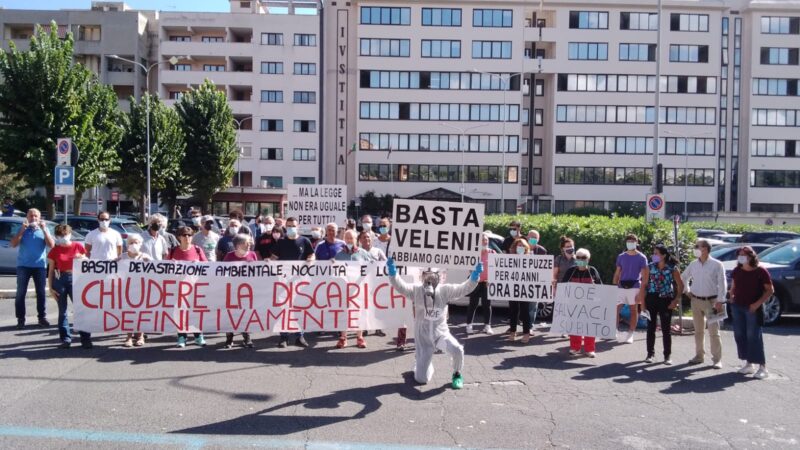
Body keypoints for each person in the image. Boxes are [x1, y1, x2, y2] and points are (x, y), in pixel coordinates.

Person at [386, 257, 482, 389]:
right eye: (426, 276)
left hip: (440, 334)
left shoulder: (445, 290)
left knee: (458, 350)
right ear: (422, 276)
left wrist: (474, 277)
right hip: (423, 337)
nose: (430, 280)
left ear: (439, 276)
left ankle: (457, 374)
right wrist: (393, 273)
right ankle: (421, 364)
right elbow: (400, 286)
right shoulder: (416, 290)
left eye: (433, 276)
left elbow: (463, 289)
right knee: (421, 379)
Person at [729, 246, 773, 379]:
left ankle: (763, 367)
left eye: (744, 254)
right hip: (737, 306)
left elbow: (770, 290)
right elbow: (734, 286)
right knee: (740, 334)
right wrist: (731, 295)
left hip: (753, 308)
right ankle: (749, 364)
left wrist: (757, 304)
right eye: (739, 254)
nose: (741, 257)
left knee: (753, 335)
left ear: (751, 256)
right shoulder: (737, 270)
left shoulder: (760, 271)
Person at [270, 217, 315, 348]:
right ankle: (284, 337)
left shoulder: (304, 241)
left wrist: (311, 260)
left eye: (293, 225)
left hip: (300, 281)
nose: (291, 228)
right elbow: (274, 257)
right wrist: (268, 262)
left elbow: (311, 255)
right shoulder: (281, 242)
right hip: (284, 281)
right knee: (283, 309)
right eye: (288, 226)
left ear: (298, 226)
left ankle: (299, 336)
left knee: (299, 309)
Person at [681, 239, 727, 368]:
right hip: (696, 301)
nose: (695, 248)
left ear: (705, 249)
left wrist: (720, 300)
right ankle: (699, 356)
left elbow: (722, 283)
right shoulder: (693, 264)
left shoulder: (717, 264)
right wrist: (687, 290)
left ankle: (717, 359)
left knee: (714, 332)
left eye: (698, 246)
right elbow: (684, 276)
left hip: (712, 302)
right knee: (698, 331)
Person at [83, 211, 124, 348]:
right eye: (102, 219)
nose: (104, 221)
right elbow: (87, 251)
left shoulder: (115, 234)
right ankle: (94, 322)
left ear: (110, 220)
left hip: (111, 270)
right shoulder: (91, 234)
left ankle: (112, 321)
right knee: (95, 297)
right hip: (96, 271)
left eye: (106, 219)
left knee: (112, 297)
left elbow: (119, 251)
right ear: (98, 219)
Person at [639, 244, 683, 365]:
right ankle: (650, 354)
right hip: (652, 298)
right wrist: (642, 304)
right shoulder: (650, 267)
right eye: (653, 253)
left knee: (665, 328)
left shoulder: (672, 268)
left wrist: (675, 300)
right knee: (651, 327)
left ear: (663, 255)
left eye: (656, 253)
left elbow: (680, 285)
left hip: (666, 299)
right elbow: (643, 285)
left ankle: (667, 355)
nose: (653, 256)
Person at [11, 208, 54, 329]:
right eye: (31, 216)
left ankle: (42, 317)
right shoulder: (22, 229)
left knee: (41, 293)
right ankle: (20, 319)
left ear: (39, 218)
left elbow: (51, 245)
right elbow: (13, 244)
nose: (33, 218)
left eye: (36, 216)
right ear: (27, 217)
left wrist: (45, 229)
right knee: (20, 293)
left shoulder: (44, 229)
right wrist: (21, 231)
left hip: (39, 266)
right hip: (23, 266)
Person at [46, 224, 87, 349]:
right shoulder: (55, 250)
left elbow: (87, 261)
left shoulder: (78, 246)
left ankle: (85, 339)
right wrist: (51, 288)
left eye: (65, 234)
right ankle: (65, 339)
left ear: (70, 234)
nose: (63, 237)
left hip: (76, 278)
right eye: (59, 235)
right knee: (62, 312)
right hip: (60, 279)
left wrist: (82, 257)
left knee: (80, 309)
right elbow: (51, 270)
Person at [169, 226, 208, 348]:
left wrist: (199, 264)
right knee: (180, 312)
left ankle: (198, 335)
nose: (187, 238)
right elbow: (164, 268)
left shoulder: (197, 250)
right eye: (184, 235)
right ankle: (182, 336)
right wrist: (172, 264)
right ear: (179, 237)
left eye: (189, 235)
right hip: (178, 286)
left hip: (194, 287)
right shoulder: (173, 250)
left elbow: (207, 266)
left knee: (195, 311)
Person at [561, 248, 603, 358]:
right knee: (575, 326)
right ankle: (575, 347)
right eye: (578, 257)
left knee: (590, 327)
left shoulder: (592, 271)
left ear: (588, 259)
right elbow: (563, 286)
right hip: (573, 305)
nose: (581, 259)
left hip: (590, 305)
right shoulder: (571, 271)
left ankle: (590, 349)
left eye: (583, 258)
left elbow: (600, 287)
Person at [333, 230, 369, 349]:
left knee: (359, 313)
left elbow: (371, 268)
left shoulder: (363, 253)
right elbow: (335, 272)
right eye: (347, 238)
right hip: (344, 289)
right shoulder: (339, 255)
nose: (349, 240)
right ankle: (343, 338)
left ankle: (360, 337)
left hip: (359, 289)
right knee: (344, 313)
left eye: (351, 238)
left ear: (356, 240)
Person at [612, 234, 648, 344]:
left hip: (635, 286)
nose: (631, 242)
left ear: (637, 243)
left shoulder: (642, 257)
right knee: (615, 310)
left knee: (633, 310)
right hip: (621, 286)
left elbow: (645, 277)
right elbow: (618, 272)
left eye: (633, 241)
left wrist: (641, 293)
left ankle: (630, 334)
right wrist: (614, 284)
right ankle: (614, 330)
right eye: (629, 241)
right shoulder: (621, 256)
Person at [222, 234, 257, 348]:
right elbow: (222, 272)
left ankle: (246, 337)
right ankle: (229, 338)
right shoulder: (229, 256)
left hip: (247, 291)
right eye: (246, 243)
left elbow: (258, 272)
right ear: (238, 245)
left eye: (249, 243)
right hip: (232, 290)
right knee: (231, 314)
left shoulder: (252, 255)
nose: (249, 245)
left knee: (246, 314)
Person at [119, 234, 151, 347]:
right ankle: (128, 337)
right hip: (126, 289)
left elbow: (157, 271)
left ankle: (140, 336)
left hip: (142, 289)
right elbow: (108, 266)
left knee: (140, 313)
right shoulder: (122, 257)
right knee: (128, 313)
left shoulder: (145, 257)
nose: (134, 245)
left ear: (141, 244)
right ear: (127, 244)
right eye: (131, 242)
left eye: (136, 242)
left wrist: (150, 262)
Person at [466, 232, 495, 335]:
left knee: (487, 305)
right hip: (475, 282)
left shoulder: (492, 252)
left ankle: (487, 326)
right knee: (473, 304)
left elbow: (496, 269)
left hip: (487, 283)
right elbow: (469, 268)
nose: (484, 241)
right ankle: (469, 325)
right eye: (482, 240)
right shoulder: (473, 253)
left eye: (486, 240)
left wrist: (491, 280)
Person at [507, 238, 534, 343]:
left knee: (525, 311)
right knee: (513, 311)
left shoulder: (530, 259)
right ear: (514, 247)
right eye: (519, 246)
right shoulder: (509, 258)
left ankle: (526, 333)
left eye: (523, 246)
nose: (520, 248)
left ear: (526, 248)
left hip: (525, 288)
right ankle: (512, 332)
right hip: (512, 288)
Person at [526, 229, 548, 328]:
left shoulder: (542, 251)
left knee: (533, 307)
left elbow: (545, 268)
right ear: (527, 237)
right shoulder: (521, 247)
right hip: (521, 281)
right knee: (520, 306)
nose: (533, 239)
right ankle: (516, 326)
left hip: (535, 283)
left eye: (535, 238)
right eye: (531, 237)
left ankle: (530, 326)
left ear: (538, 239)